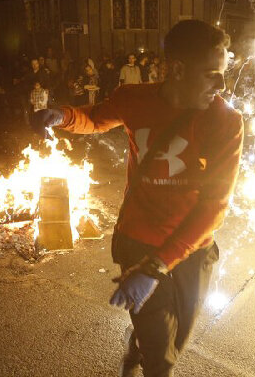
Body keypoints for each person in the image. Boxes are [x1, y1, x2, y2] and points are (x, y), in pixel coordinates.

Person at [31, 19, 243, 377]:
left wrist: (160, 266)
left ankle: (140, 343)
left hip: (191, 248)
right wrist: (61, 116)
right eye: (211, 74)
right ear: (177, 69)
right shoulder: (135, 99)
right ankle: (146, 350)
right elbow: (95, 118)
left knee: (179, 338)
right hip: (139, 241)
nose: (221, 85)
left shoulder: (225, 121)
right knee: (162, 360)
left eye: (223, 73)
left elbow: (215, 205)